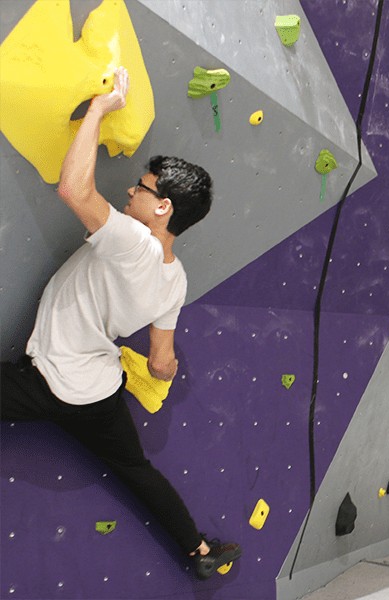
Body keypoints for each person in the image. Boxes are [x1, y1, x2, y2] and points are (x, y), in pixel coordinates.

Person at [0, 67, 241, 579]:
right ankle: (200, 551)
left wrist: (100, 109)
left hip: (47, 380)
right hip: (99, 393)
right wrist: (166, 368)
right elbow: (161, 361)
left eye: (141, 187)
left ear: (162, 207)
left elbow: (73, 190)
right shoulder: (175, 279)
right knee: (136, 469)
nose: (131, 191)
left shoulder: (133, 242)